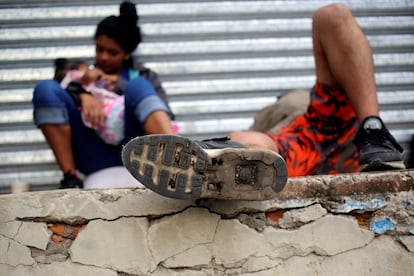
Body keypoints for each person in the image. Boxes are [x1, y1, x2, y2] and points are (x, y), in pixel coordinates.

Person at [122, 3, 406, 201]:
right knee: (255, 148)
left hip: (341, 144)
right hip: (305, 147)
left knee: (331, 15)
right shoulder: (315, 116)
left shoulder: (332, 108)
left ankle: (374, 131)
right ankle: (214, 160)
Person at [32, 1, 174, 189]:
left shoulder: (145, 76)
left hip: (136, 154)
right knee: (45, 89)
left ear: (126, 53)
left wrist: (122, 85)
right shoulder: (84, 73)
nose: (104, 57)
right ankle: (70, 178)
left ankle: (175, 162)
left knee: (139, 86)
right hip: (93, 155)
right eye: (100, 49)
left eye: (112, 52)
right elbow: (57, 95)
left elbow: (165, 115)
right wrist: (83, 92)